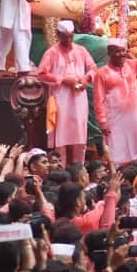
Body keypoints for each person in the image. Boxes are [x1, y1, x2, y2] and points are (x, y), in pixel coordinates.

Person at [35, 20, 96, 165]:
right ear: (58, 34)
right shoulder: (51, 53)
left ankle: (79, 169)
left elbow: (93, 68)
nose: (68, 40)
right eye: (65, 36)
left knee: (80, 135)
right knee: (61, 136)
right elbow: (41, 74)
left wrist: (87, 78)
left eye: (71, 36)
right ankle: (60, 171)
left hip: (79, 99)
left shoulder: (81, 50)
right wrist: (63, 80)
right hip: (60, 99)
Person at [92, 37, 137, 166]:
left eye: (123, 51)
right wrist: (103, 122)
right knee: (117, 152)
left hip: (134, 119)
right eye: (117, 51)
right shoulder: (102, 74)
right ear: (109, 52)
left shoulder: (131, 66)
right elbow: (98, 100)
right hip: (114, 120)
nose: (121, 54)